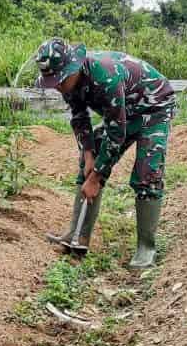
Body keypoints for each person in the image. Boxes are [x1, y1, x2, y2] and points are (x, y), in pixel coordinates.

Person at [34, 38, 176, 269]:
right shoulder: (67, 82)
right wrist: (89, 154)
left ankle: (146, 248)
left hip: (155, 106)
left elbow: (116, 134)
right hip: (123, 111)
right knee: (88, 162)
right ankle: (78, 234)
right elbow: (79, 118)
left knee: (147, 172)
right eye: (53, 82)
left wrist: (96, 177)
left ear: (74, 67)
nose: (57, 86)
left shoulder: (105, 76)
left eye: (59, 80)